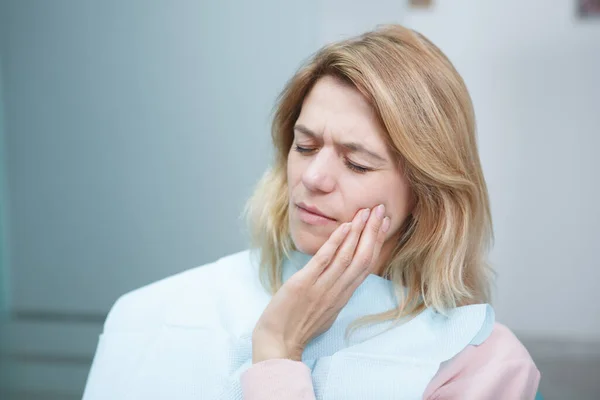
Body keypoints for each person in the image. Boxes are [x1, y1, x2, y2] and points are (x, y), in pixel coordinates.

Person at [82, 24, 540, 399]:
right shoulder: (151, 312)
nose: (314, 177)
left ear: (427, 192)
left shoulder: (481, 364)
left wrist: (278, 354)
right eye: (305, 145)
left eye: (356, 162)